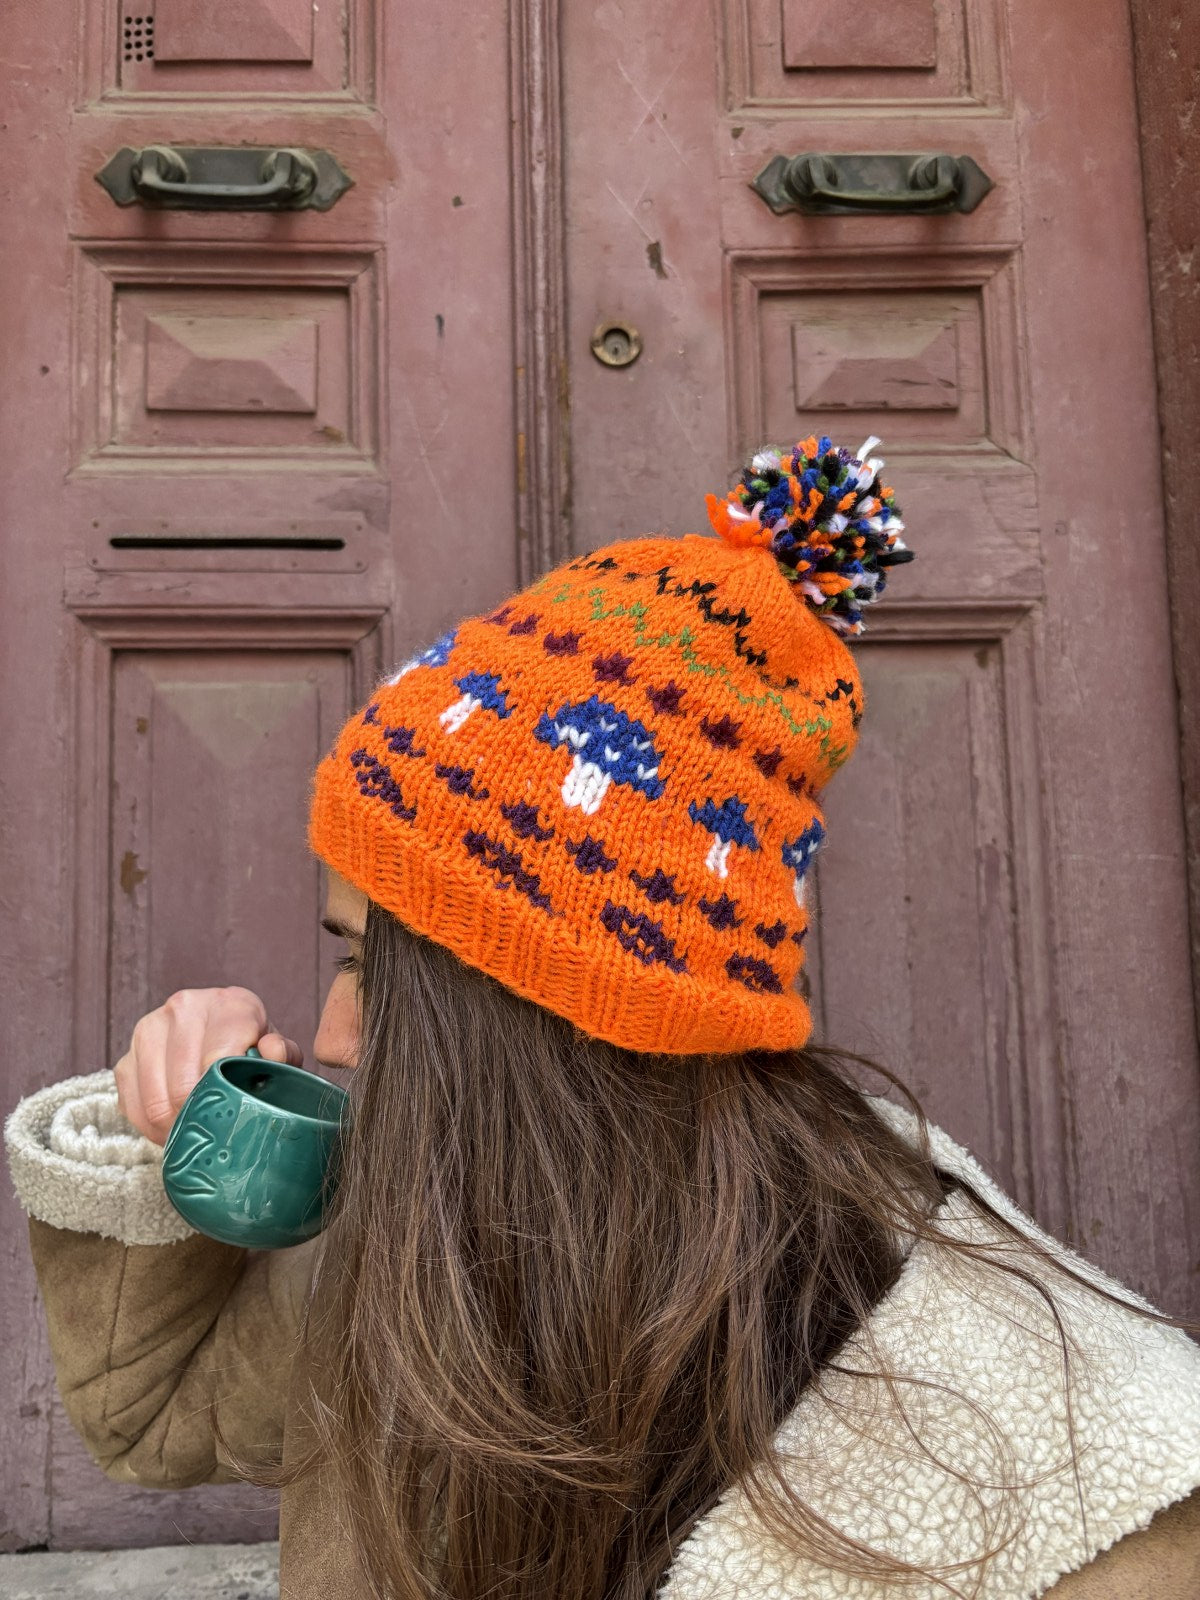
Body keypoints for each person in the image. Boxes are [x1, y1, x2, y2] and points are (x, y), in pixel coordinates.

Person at [6, 437, 1200, 1600]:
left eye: (375, 970)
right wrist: (163, 1145)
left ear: (547, 1009)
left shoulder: (1070, 1489)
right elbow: (156, 1414)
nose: (327, 1036)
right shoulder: (447, 1224)